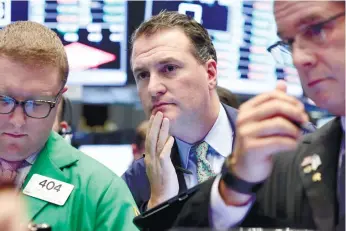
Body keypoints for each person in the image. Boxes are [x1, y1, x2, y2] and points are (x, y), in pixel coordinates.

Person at [174, 1, 345, 231]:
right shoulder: (291, 159)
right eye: (289, 43)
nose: (298, 59)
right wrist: (236, 184)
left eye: (316, 30)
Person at [0, 21, 139, 230]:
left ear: (58, 101)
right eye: (3, 100)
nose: (17, 121)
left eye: (37, 104)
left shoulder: (101, 192)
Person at [122, 11, 238, 212]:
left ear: (210, 74)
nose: (152, 88)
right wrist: (158, 203)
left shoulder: (279, 144)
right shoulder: (137, 180)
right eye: (142, 75)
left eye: (169, 68)